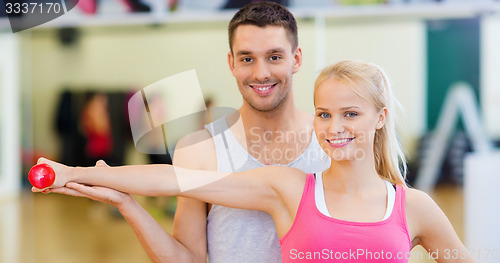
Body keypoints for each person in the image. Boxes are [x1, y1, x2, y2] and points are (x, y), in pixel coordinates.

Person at [36, 60, 475, 262]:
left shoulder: (412, 207)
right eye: (323, 113)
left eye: (350, 114)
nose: (334, 126)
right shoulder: (288, 187)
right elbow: (180, 179)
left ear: (380, 118)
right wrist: (76, 172)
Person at [45, 2, 329, 262]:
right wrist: (125, 202)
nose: (261, 73)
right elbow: (186, 259)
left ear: (297, 59)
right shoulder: (200, 149)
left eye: (275, 57)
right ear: (232, 63)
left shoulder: (332, 143)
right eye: (247, 59)